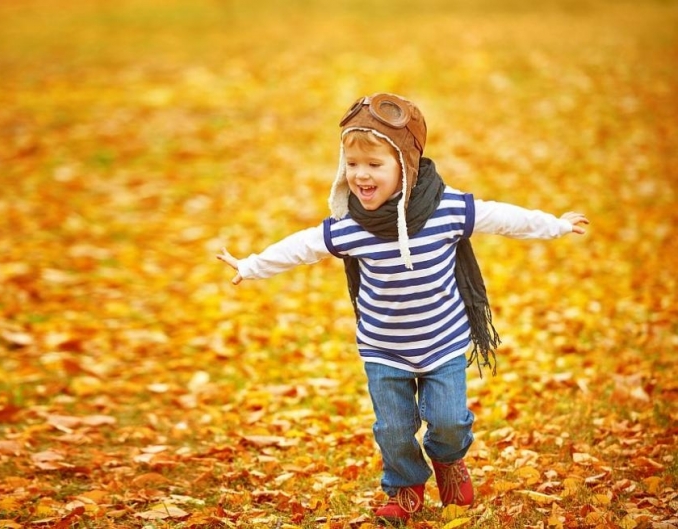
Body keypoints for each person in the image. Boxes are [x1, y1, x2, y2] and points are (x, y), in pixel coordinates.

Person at [216, 93, 588, 524]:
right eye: (352, 164)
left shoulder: (447, 210)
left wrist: (555, 225)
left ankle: (448, 460)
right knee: (392, 430)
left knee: (449, 421)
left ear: (405, 166)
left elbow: (503, 218)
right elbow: (302, 246)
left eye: (374, 165)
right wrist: (251, 266)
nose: (361, 175)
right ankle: (405, 485)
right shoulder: (352, 227)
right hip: (383, 348)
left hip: (443, 341)